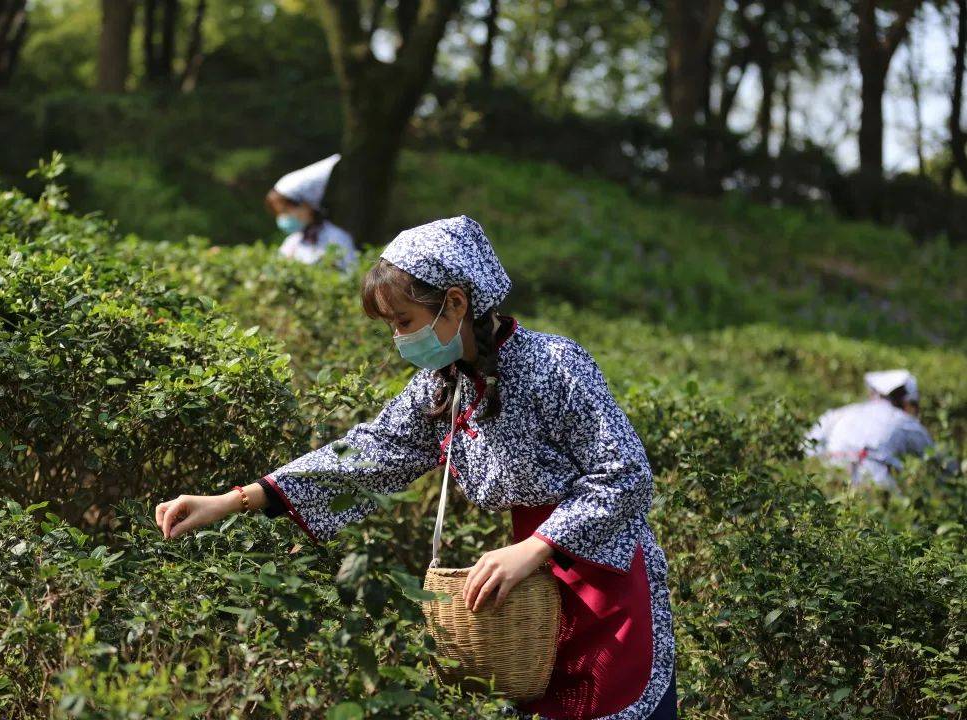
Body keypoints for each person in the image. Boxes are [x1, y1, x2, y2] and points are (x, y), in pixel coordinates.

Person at [155, 216, 677, 720]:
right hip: (532, 598)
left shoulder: (555, 365)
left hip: (605, 580)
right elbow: (369, 453)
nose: (398, 339)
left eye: (403, 322)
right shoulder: (443, 385)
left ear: (455, 302)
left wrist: (533, 548)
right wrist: (234, 499)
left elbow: (624, 474)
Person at [804, 369, 933, 492]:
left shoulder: (842, 412)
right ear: (905, 402)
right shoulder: (905, 421)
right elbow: (936, 459)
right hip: (873, 485)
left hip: (829, 478)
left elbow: (807, 447)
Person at [265, 153, 357, 271]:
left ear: (306, 205)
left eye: (285, 211)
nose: (282, 218)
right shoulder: (292, 242)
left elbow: (352, 278)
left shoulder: (338, 239)